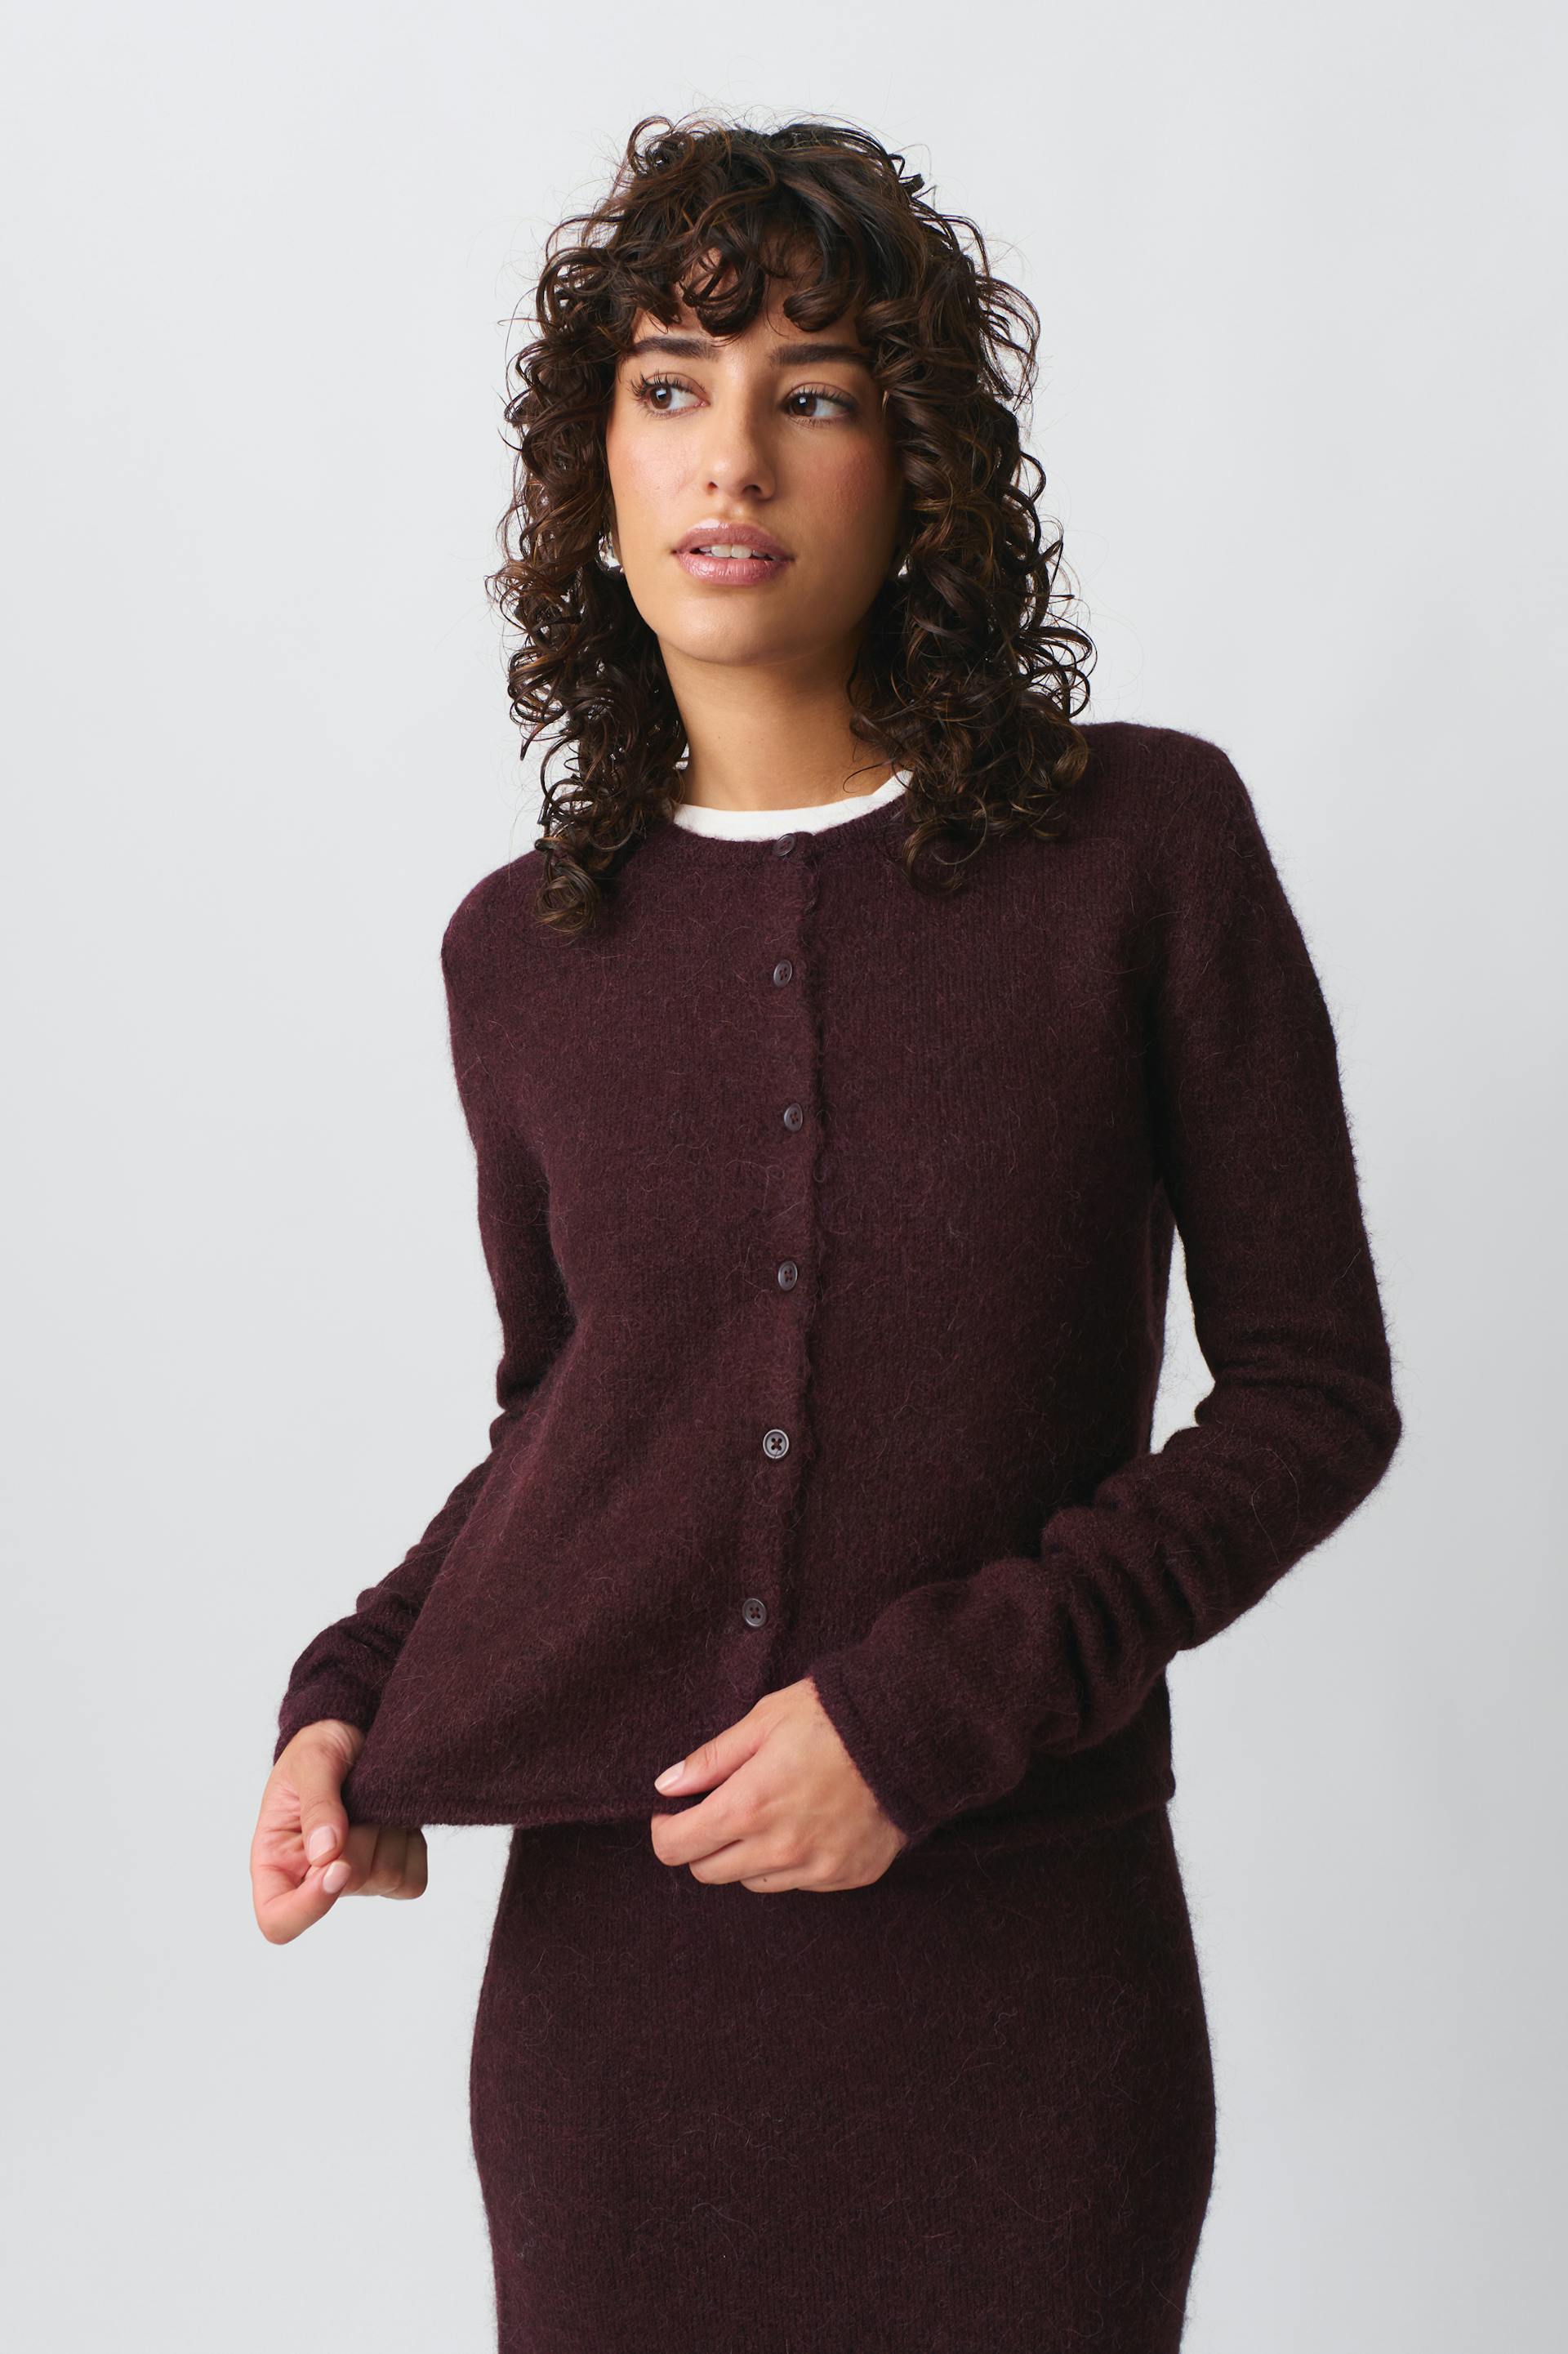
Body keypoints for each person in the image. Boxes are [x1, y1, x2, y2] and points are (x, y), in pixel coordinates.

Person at [251, 113, 1401, 2353]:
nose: (733, 459)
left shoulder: (1144, 845)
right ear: (592, 468)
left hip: (1026, 1988)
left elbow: (1311, 1397)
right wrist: (351, 1703)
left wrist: (925, 1715)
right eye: (671, 386)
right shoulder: (524, 954)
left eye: (818, 393)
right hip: (616, 2020)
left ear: (921, 470)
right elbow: (568, 1431)